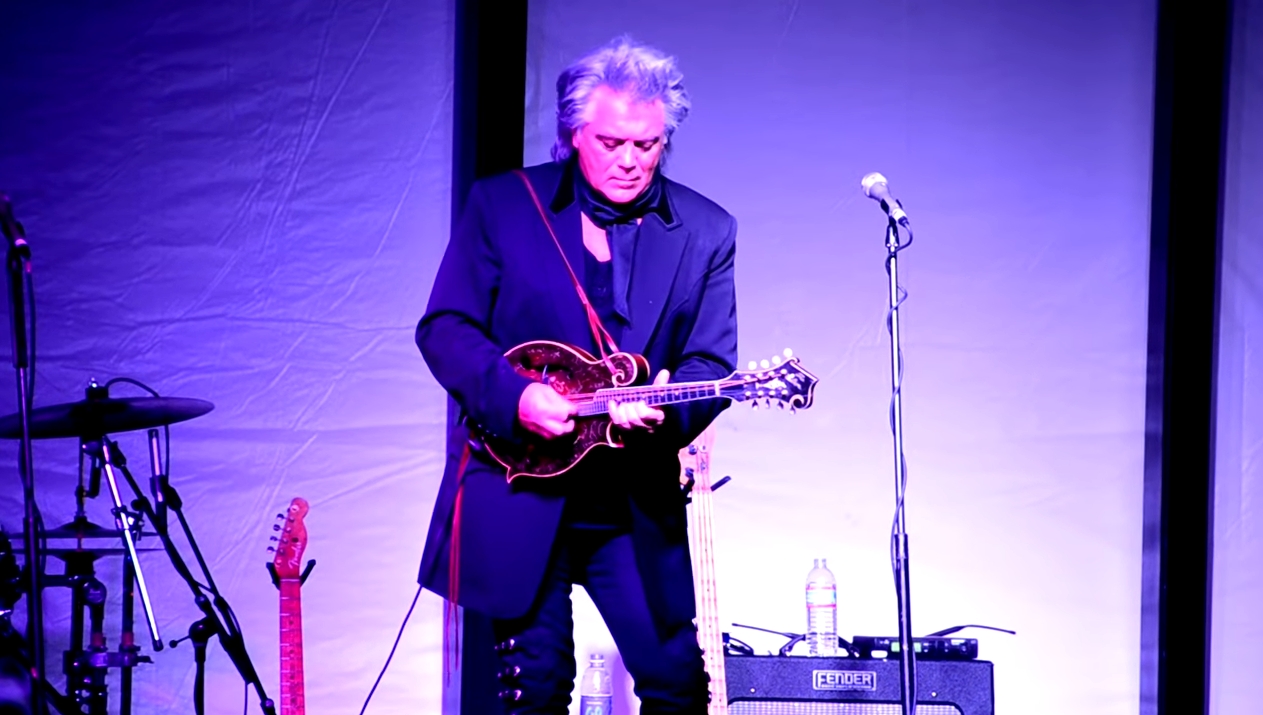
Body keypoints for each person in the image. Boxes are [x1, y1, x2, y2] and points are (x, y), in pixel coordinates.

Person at [416, 36, 737, 714]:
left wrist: (662, 412)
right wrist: (517, 396)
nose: (629, 161)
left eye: (647, 145)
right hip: (521, 484)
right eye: (611, 142)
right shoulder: (503, 206)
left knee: (677, 682)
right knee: (536, 684)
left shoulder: (707, 230)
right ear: (571, 134)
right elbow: (443, 327)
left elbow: (711, 362)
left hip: (629, 498)